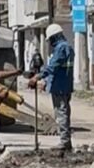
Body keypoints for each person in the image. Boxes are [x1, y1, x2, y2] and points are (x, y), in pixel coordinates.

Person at [28, 23, 74, 152]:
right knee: (64, 113)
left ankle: (65, 142)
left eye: (50, 39)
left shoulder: (61, 48)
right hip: (65, 85)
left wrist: (37, 77)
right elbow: (59, 70)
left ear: (55, 37)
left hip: (60, 87)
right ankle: (66, 140)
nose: (50, 43)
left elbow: (52, 67)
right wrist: (47, 82)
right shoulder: (68, 47)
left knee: (61, 114)